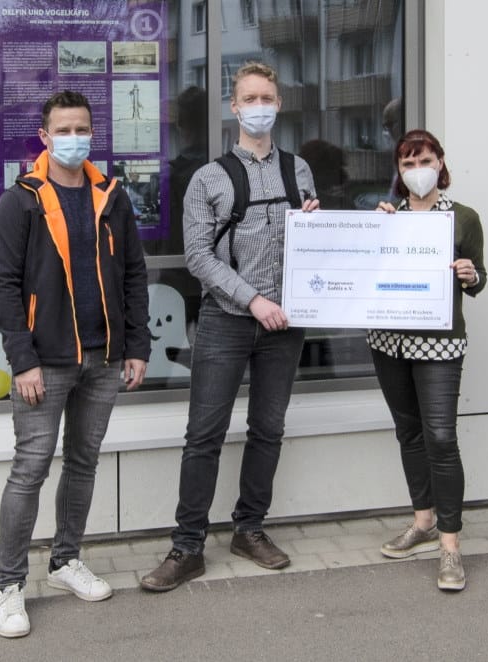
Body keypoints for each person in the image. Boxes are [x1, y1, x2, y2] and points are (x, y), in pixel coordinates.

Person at [140, 61, 318, 592]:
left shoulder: (299, 170)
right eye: (249, 98)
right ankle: (187, 546)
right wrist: (253, 299)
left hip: (285, 324)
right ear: (234, 107)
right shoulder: (208, 178)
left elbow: (309, 245)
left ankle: (250, 529)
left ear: (278, 103)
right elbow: (197, 256)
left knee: (268, 429)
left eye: (268, 96)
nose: (259, 105)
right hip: (225, 321)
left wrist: (315, 228)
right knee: (204, 435)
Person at [0, 89, 151, 637]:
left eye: (83, 129)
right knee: (30, 468)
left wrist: (136, 345)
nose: (75, 138)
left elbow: (133, 275)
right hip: (45, 363)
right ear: (45, 136)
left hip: (103, 358)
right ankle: (9, 585)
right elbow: (4, 289)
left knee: (84, 462)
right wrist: (23, 360)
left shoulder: (112, 196)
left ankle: (64, 561)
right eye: (65, 129)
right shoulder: (22, 201)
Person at [371, 129, 486, 591]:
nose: (417, 170)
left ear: (440, 162)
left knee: (441, 437)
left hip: (438, 343)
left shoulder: (463, 218)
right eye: (407, 164)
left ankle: (451, 546)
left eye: (424, 160)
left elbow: (479, 280)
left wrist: (470, 273)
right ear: (398, 173)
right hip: (389, 342)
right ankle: (423, 521)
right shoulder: (389, 216)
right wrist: (373, 235)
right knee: (410, 433)